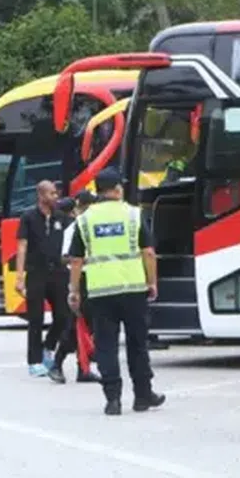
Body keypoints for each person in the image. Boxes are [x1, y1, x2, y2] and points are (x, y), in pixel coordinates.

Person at [67, 168, 164, 416]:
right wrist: (151, 282)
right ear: (118, 189)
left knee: (106, 346)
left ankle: (113, 399)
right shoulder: (133, 214)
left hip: (100, 292)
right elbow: (148, 252)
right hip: (133, 289)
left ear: (97, 191)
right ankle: (143, 396)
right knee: (137, 344)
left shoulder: (85, 219)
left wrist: (74, 290)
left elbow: (76, 260)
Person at [15, 180, 73, 377]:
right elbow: (22, 246)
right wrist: (20, 277)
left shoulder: (62, 217)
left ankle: (48, 346)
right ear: (40, 195)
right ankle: (34, 361)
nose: (55, 197)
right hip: (36, 273)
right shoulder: (28, 217)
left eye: (56, 194)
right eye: (51, 194)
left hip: (58, 272)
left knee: (64, 316)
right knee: (36, 318)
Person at [56, 190, 101, 384]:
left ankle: (83, 368)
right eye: (87, 206)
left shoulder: (93, 225)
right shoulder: (74, 228)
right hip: (79, 278)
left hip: (95, 278)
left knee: (88, 326)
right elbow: (65, 257)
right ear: (80, 207)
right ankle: (56, 363)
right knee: (77, 326)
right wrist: (83, 259)